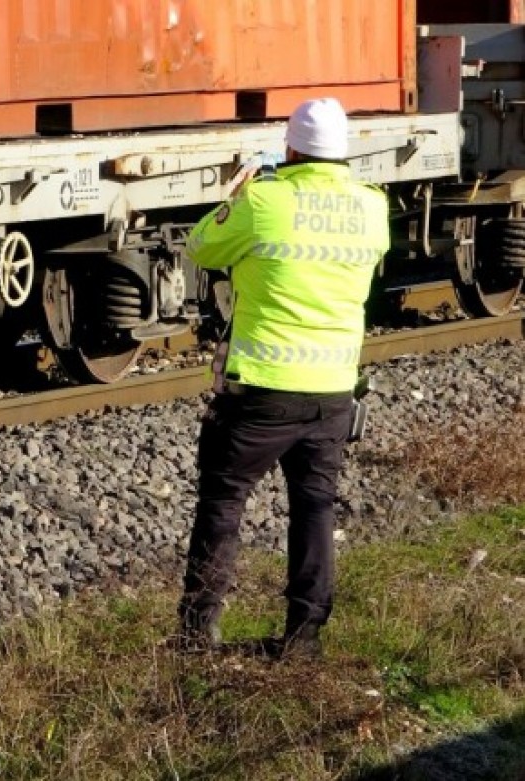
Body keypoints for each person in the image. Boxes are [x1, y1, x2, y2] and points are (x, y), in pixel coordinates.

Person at [176, 97, 391, 657]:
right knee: (316, 506)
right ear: (343, 152)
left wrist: (241, 191)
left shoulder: (264, 200)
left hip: (263, 392)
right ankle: (303, 640)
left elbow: (199, 246)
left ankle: (198, 636)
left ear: (290, 148)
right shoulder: (372, 207)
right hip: (333, 392)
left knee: (223, 503)